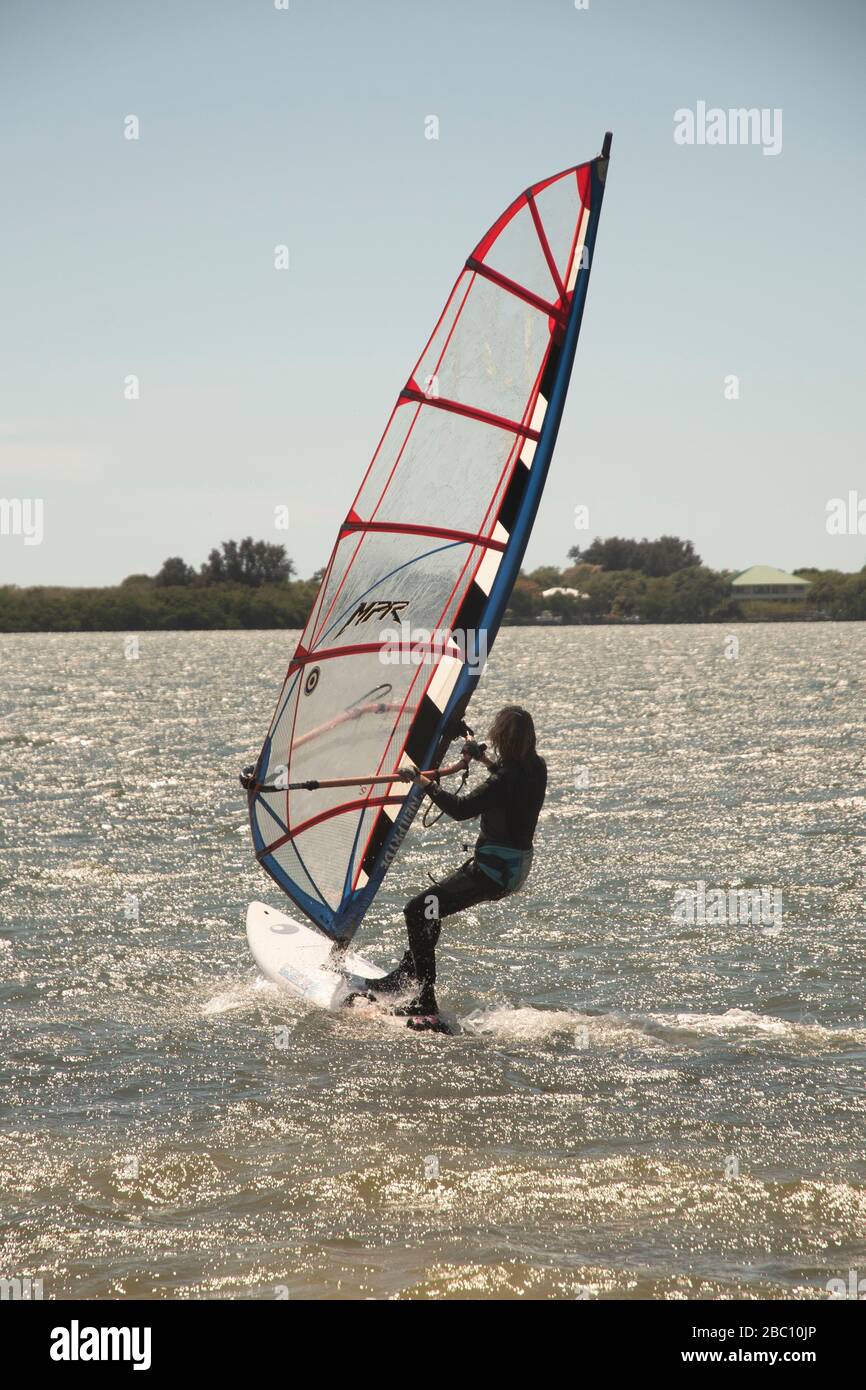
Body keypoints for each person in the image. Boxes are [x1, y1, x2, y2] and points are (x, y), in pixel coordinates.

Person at [363, 706, 547, 1032]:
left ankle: (425, 999)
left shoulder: (503, 780)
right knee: (431, 910)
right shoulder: (536, 768)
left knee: (417, 910)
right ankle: (409, 974)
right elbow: (510, 784)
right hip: (509, 870)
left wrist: (422, 782)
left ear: (501, 737)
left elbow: (461, 810)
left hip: (492, 872)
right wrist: (484, 761)